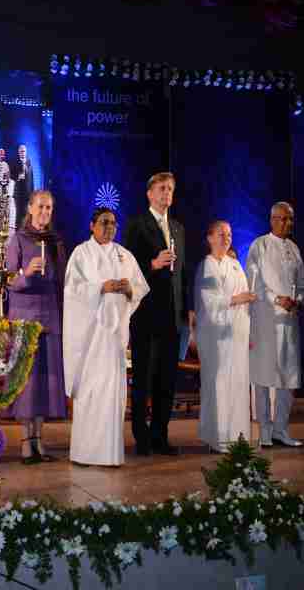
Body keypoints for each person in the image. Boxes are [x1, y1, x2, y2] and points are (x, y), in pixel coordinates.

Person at [64, 208, 149, 466]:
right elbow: (72, 290)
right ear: (92, 225)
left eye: (113, 223)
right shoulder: (81, 253)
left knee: (112, 393)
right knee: (91, 391)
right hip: (90, 338)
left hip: (115, 338)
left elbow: (141, 288)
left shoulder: (124, 255)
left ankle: (110, 453)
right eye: (104, 222)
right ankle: (85, 452)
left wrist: (129, 289)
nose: (109, 227)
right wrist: (101, 287)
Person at [124, 172, 192, 456]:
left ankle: (160, 435)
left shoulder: (178, 228)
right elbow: (128, 266)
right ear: (150, 194)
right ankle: (141, 437)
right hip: (146, 314)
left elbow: (183, 273)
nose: (167, 194)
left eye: (171, 189)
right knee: (143, 378)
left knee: (166, 380)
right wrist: (152, 263)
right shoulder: (137, 225)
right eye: (162, 188)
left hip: (172, 316)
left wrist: (187, 308)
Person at [4, 190, 67, 464]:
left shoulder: (56, 242)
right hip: (24, 318)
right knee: (27, 382)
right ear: (29, 208)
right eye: (40, 206)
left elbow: (62, 282)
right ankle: (25, 442)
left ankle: (39, 439)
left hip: (49, 317)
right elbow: (8, 281)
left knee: (45, 381)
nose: (44, 212)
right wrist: (26, 273)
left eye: (49, 208)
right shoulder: (18, 239)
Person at [246, 202, 304, 448]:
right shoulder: (259, 245)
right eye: (282, 219)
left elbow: (301, 283)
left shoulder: (294, 248)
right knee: (263, 375)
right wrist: (276, 299)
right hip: (265, 319)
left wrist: (298, 300)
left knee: (288, 377)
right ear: (272, 220)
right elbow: (254, 281)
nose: (287, 223)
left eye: (290, 219)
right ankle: (264, 430)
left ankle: (281, 429)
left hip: (289, 321)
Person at [195, 221, 256, 453]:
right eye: (221, 234)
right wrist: (235, 299)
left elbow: (245, 295)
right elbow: (208, 301)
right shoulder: (207, 266)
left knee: (238, 383)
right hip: (216, 337)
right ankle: (217, 436)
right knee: (218, 383)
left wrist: (248, 327)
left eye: (229, 234)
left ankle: (237, 435)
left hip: (237, 333)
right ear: (210, 238)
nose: (226, 238)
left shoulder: (235, 264)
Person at [0, 148, 15, 230]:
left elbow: (8, 177)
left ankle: (0, 226)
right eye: (0, 154)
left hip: (3, 189)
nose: (1, 156)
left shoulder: (6, 165)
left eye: (2, 154)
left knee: (1, 208)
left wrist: (5, 181)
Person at [11, 144, 34, 228]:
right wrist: (18, 176)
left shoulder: (29, 162)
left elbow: (31, 178)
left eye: (24, 151)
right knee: (19, 213)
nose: (22, 153)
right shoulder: (15, 162)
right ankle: (18, 231)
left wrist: (32, 193)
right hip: (18, 193)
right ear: (18, 152)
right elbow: (11, 176)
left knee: (26, 213)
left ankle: (24, 229)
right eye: (21, 151)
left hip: (27, 193)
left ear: (26, 152)